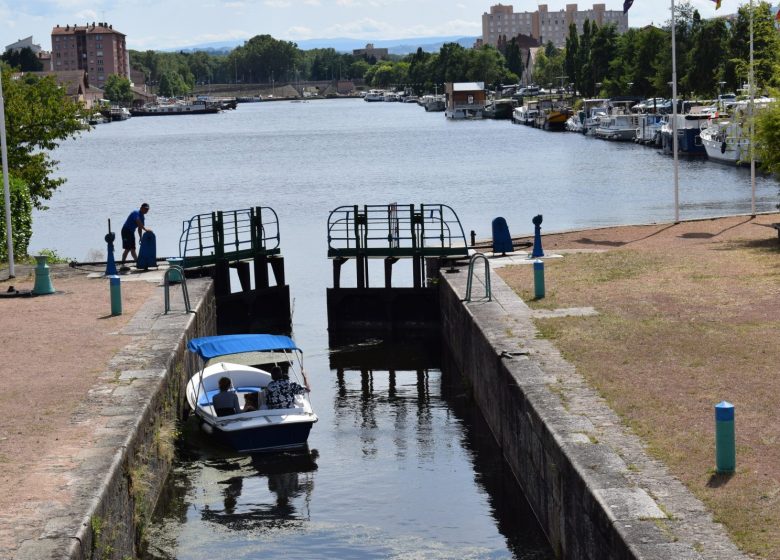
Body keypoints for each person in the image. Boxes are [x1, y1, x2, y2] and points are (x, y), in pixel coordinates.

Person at [120, 203, 151, 269]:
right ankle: (123, 264)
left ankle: (138, 263)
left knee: (133, 249)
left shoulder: (142, 217)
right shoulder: (135, 213)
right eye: (145, 209)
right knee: (127, 249)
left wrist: (140, 237)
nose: (146, 210)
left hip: (131, 232)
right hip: (126, 231)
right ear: (141, 208)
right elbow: (138, 222)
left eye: (147, 209)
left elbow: (139, 228)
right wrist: (145, 229)